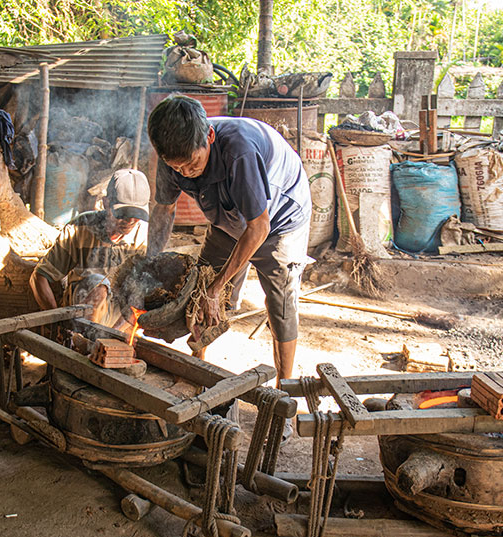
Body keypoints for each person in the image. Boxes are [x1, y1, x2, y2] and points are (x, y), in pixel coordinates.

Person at [146, 94, 312, 385]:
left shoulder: (240, 152)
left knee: (280, 304)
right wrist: (148, 266)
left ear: (209, 135)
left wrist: (218, 287)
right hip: (229, 216)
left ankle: (284, 389)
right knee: (200, 284)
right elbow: (164, 210)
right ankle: (198, 370)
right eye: (177, 167)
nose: (185, 172)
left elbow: (259, 227)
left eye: (192, 164)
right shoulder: (171, 155)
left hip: (279, 221)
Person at [30, 168, 150, 328]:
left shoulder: (143, 236)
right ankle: (85, 337)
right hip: (79, 310)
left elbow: (140, 296)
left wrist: (114, 335)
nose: (131, 221)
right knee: (97, 283)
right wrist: (55, 322)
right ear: (107, 203)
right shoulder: (80, 228)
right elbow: (39, 278)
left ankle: (98, 339)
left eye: (136, 215)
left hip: (119, 317)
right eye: (124, 214)